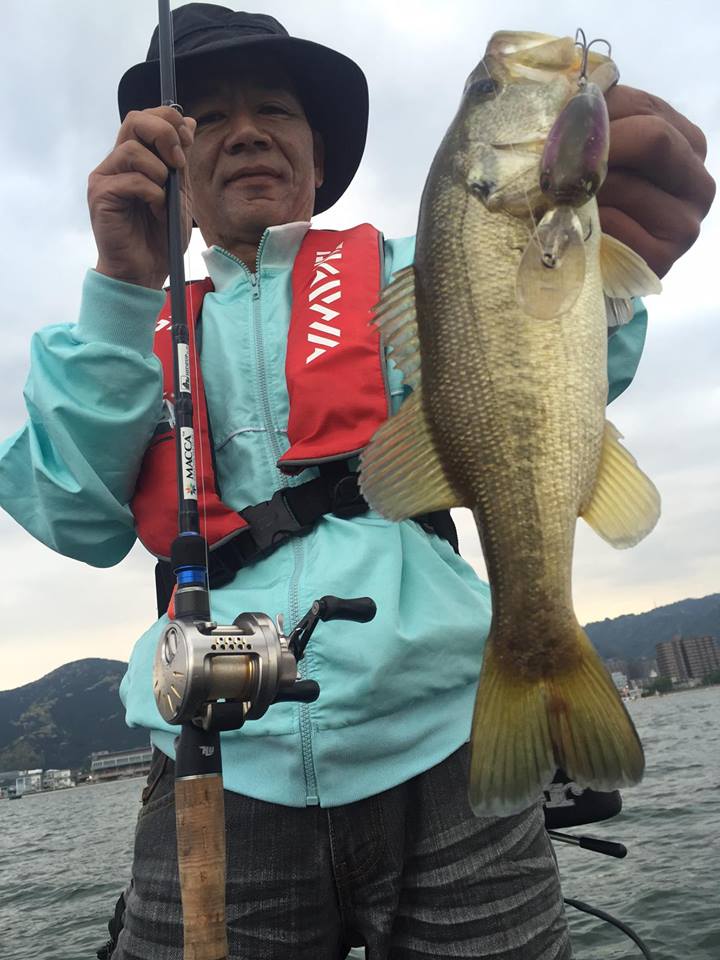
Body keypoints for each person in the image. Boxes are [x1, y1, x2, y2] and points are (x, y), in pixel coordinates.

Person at [0, 5, 714, 960]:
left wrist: (611, 264)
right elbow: (72, 517)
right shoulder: (116, 334)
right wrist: (122, 287)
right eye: (208, 117)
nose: (246, 131)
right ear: (171, 168)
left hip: (449, 741)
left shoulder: (423, 268)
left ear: (317, 156)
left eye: (275, 110)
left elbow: (564, 371)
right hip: (216, 769)